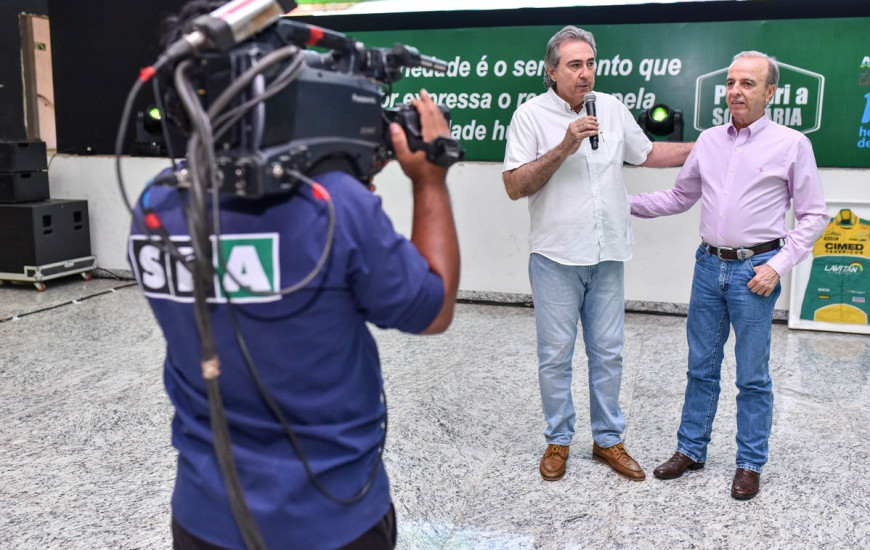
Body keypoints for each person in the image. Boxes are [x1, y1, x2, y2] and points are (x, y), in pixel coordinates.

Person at [127, 8, 460, 548]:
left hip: (202, 518)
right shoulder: (338, 208)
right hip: (334, 523)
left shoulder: (153, 207)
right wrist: (430, 182)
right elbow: (433, 308)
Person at [630, 51, 828, 499]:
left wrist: (776, 267)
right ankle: (691, 449)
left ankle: (749, 463)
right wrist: (621, 205)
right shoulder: (709, 141)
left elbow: (814, 216)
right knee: (700, 368)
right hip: (707, 268)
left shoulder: (792, 144)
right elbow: (680, 197)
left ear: (770, 92)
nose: (736, 91)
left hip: (755, 273)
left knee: (752, 376)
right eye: (732, 82)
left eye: (748, 84)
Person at [502, 25, 693, 482]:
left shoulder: (610, 107)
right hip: (555, 258)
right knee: (555, 354)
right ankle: (558, 440)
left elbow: (646, 154)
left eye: (589, 63)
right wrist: (566, 144)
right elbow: (514, 186)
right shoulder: (529, 116)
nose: (585, 73)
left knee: (608, 353)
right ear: (551, 72)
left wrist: (709, 145)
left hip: (608, 255)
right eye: (574, 65)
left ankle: (608, 440)